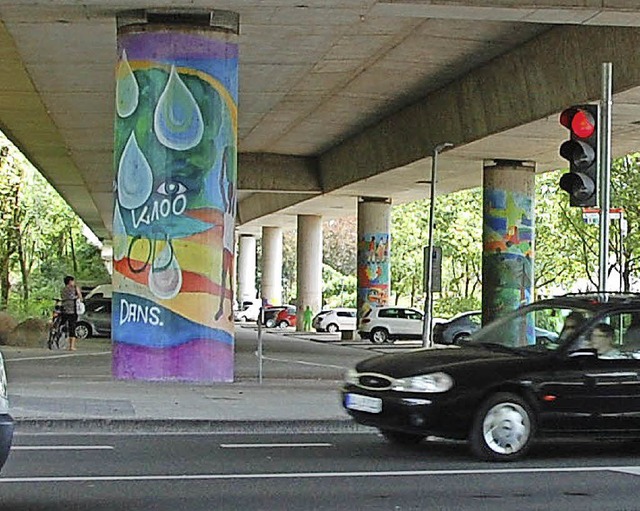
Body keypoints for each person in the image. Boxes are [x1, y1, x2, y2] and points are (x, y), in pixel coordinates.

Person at [60, 275, 82, 351]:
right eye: (73, 281)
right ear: (70, 282)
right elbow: (79, 297)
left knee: (62, 323)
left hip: (64, 309)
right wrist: (78, 291)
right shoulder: (73, 289)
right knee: (72, 327)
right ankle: (71, 346)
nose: (74, 282)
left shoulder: (62, 289)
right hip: (72, 310)